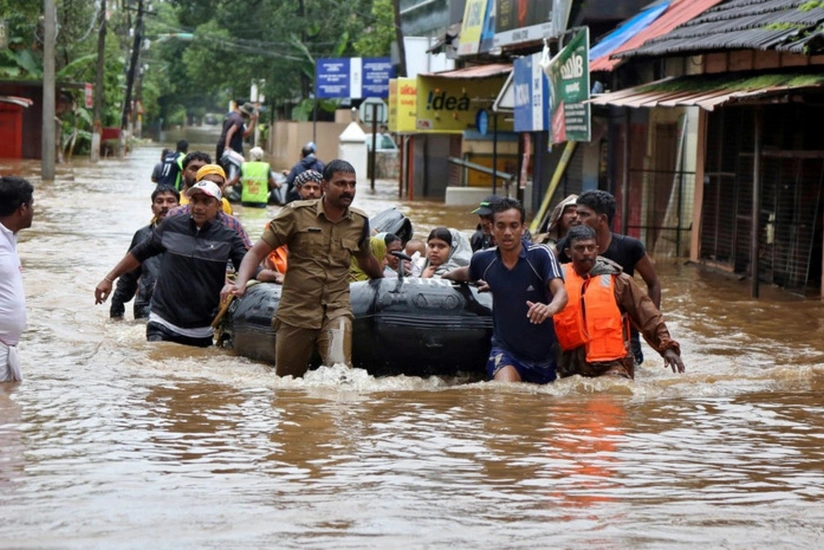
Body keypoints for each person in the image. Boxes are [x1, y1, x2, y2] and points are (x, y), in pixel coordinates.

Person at [221, 159, 384, 377]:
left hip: (337, 309)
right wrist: (240, 285)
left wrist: (385, 281)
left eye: (352, 184)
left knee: (341, 374)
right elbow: (256, 252)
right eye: (341, 184)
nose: (348, 190)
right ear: (325, 186)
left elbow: (366, 260)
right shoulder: (296, 214)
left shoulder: (359, 221)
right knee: (289, 382)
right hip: (296, 312)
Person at [95, 181, 259, 347]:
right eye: (195, 200)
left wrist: (269, 276)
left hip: (201, 329)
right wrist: (109, 279)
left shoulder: (228, 237)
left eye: (206, 201)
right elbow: (138, 254)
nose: (199, 207)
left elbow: (250, 265)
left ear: (218, 205)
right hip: (162, 322)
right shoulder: (171, 226)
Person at [444, 198, 567, 384]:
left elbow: (561, 293)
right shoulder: (483, 259)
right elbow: (466, 273)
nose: (507, 232)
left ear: (523, 228)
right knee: (505, 396)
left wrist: (549, 309)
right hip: (506, 351)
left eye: (514, 226)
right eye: (501, 226)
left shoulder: (541, 255)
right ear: (491, 228)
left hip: (543, 355)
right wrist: (441, 276)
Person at [554, 225, 685, 379]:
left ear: (597, 249)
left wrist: (666, 347)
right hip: (568, 365)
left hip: (611, 365)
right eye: (580, 248)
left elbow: (647, 314)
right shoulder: (556, 280)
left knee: (613, 393)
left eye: (590, 247)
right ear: (569, 253)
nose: (586, 253)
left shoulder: (619, 281)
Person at [555, 190, 662, 365]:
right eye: (576, 213)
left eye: (584, 214)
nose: (577, 218)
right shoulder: (566, 248)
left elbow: (654, 284)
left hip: (623, 334)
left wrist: (647, 324)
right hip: (580, 335)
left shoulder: (630, 247)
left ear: (602, 219)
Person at [109, 185, 180, 320]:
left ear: (180, 206)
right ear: (153, 208)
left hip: (178, 307)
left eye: (170, 201)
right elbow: (129, 274)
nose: (165, 206)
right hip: (146, 306)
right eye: (159, 201)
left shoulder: (189, 234)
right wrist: (116, 310)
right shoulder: (143, 235)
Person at [0, 176, 34, 383]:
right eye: (32, 205)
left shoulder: (9, 238)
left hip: (7, 347)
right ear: (22, 208)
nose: (33, 211)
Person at [216, 100, 256, 169]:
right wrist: (253, 121)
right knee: (240, 168)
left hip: (220, 145)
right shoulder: (239, 120)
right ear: (247, 114)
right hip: (232, 148)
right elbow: (244, 134)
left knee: (221, 170)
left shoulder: (230, 115)